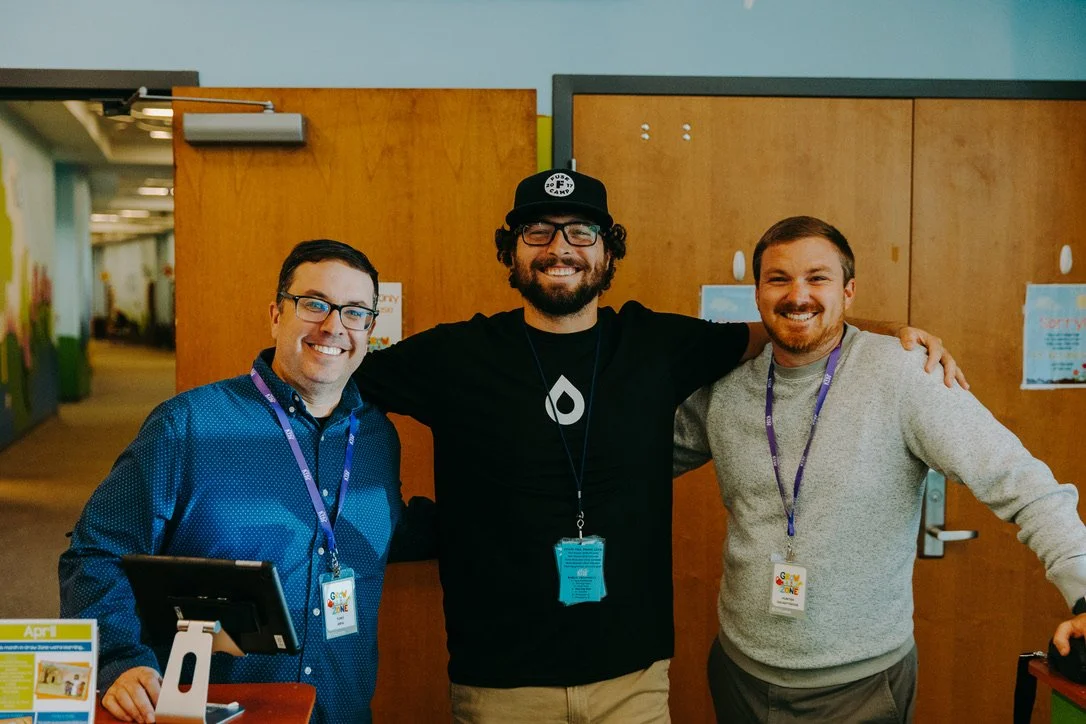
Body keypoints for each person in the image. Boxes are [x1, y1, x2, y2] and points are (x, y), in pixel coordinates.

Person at [353, 171, 960, 722]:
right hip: (498, 681)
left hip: (633, 679)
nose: (560, 248)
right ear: (510, 250)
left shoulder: (655, 344)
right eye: (538, 232)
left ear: (609, 251)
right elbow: (336, 389)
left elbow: (791, 325)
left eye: (581, 232)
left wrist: (891, 331)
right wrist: (383, 513)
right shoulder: (453, 356)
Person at [673, 215, 1086, 723]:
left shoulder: (904, 375)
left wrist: (1083, 592)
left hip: (862, 686)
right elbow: (634, 461)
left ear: (848, 291)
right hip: (740, 672)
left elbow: (1020, 481)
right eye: (778, 279)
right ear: (757, 293)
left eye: (818, 278)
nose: (797, 295)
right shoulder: (726, 386)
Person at [60, 240, 409, 724]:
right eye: (314, 304)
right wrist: (119, 658)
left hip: (342, 711)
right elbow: (95, 551)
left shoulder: (377, 440)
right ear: (276, 316)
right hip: (217, 712)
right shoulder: (188, 426)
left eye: (354, 312)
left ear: (369, 329)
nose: (333, 326)